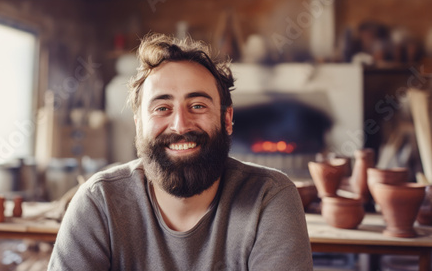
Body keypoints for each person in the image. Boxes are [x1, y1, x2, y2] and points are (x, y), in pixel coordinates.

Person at [48, 33, 313, 270]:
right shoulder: (99, 202)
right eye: (162, 108)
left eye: (197, 106)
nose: (180, 125)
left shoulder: (270, 197)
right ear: (138, 123)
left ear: (227, 119)